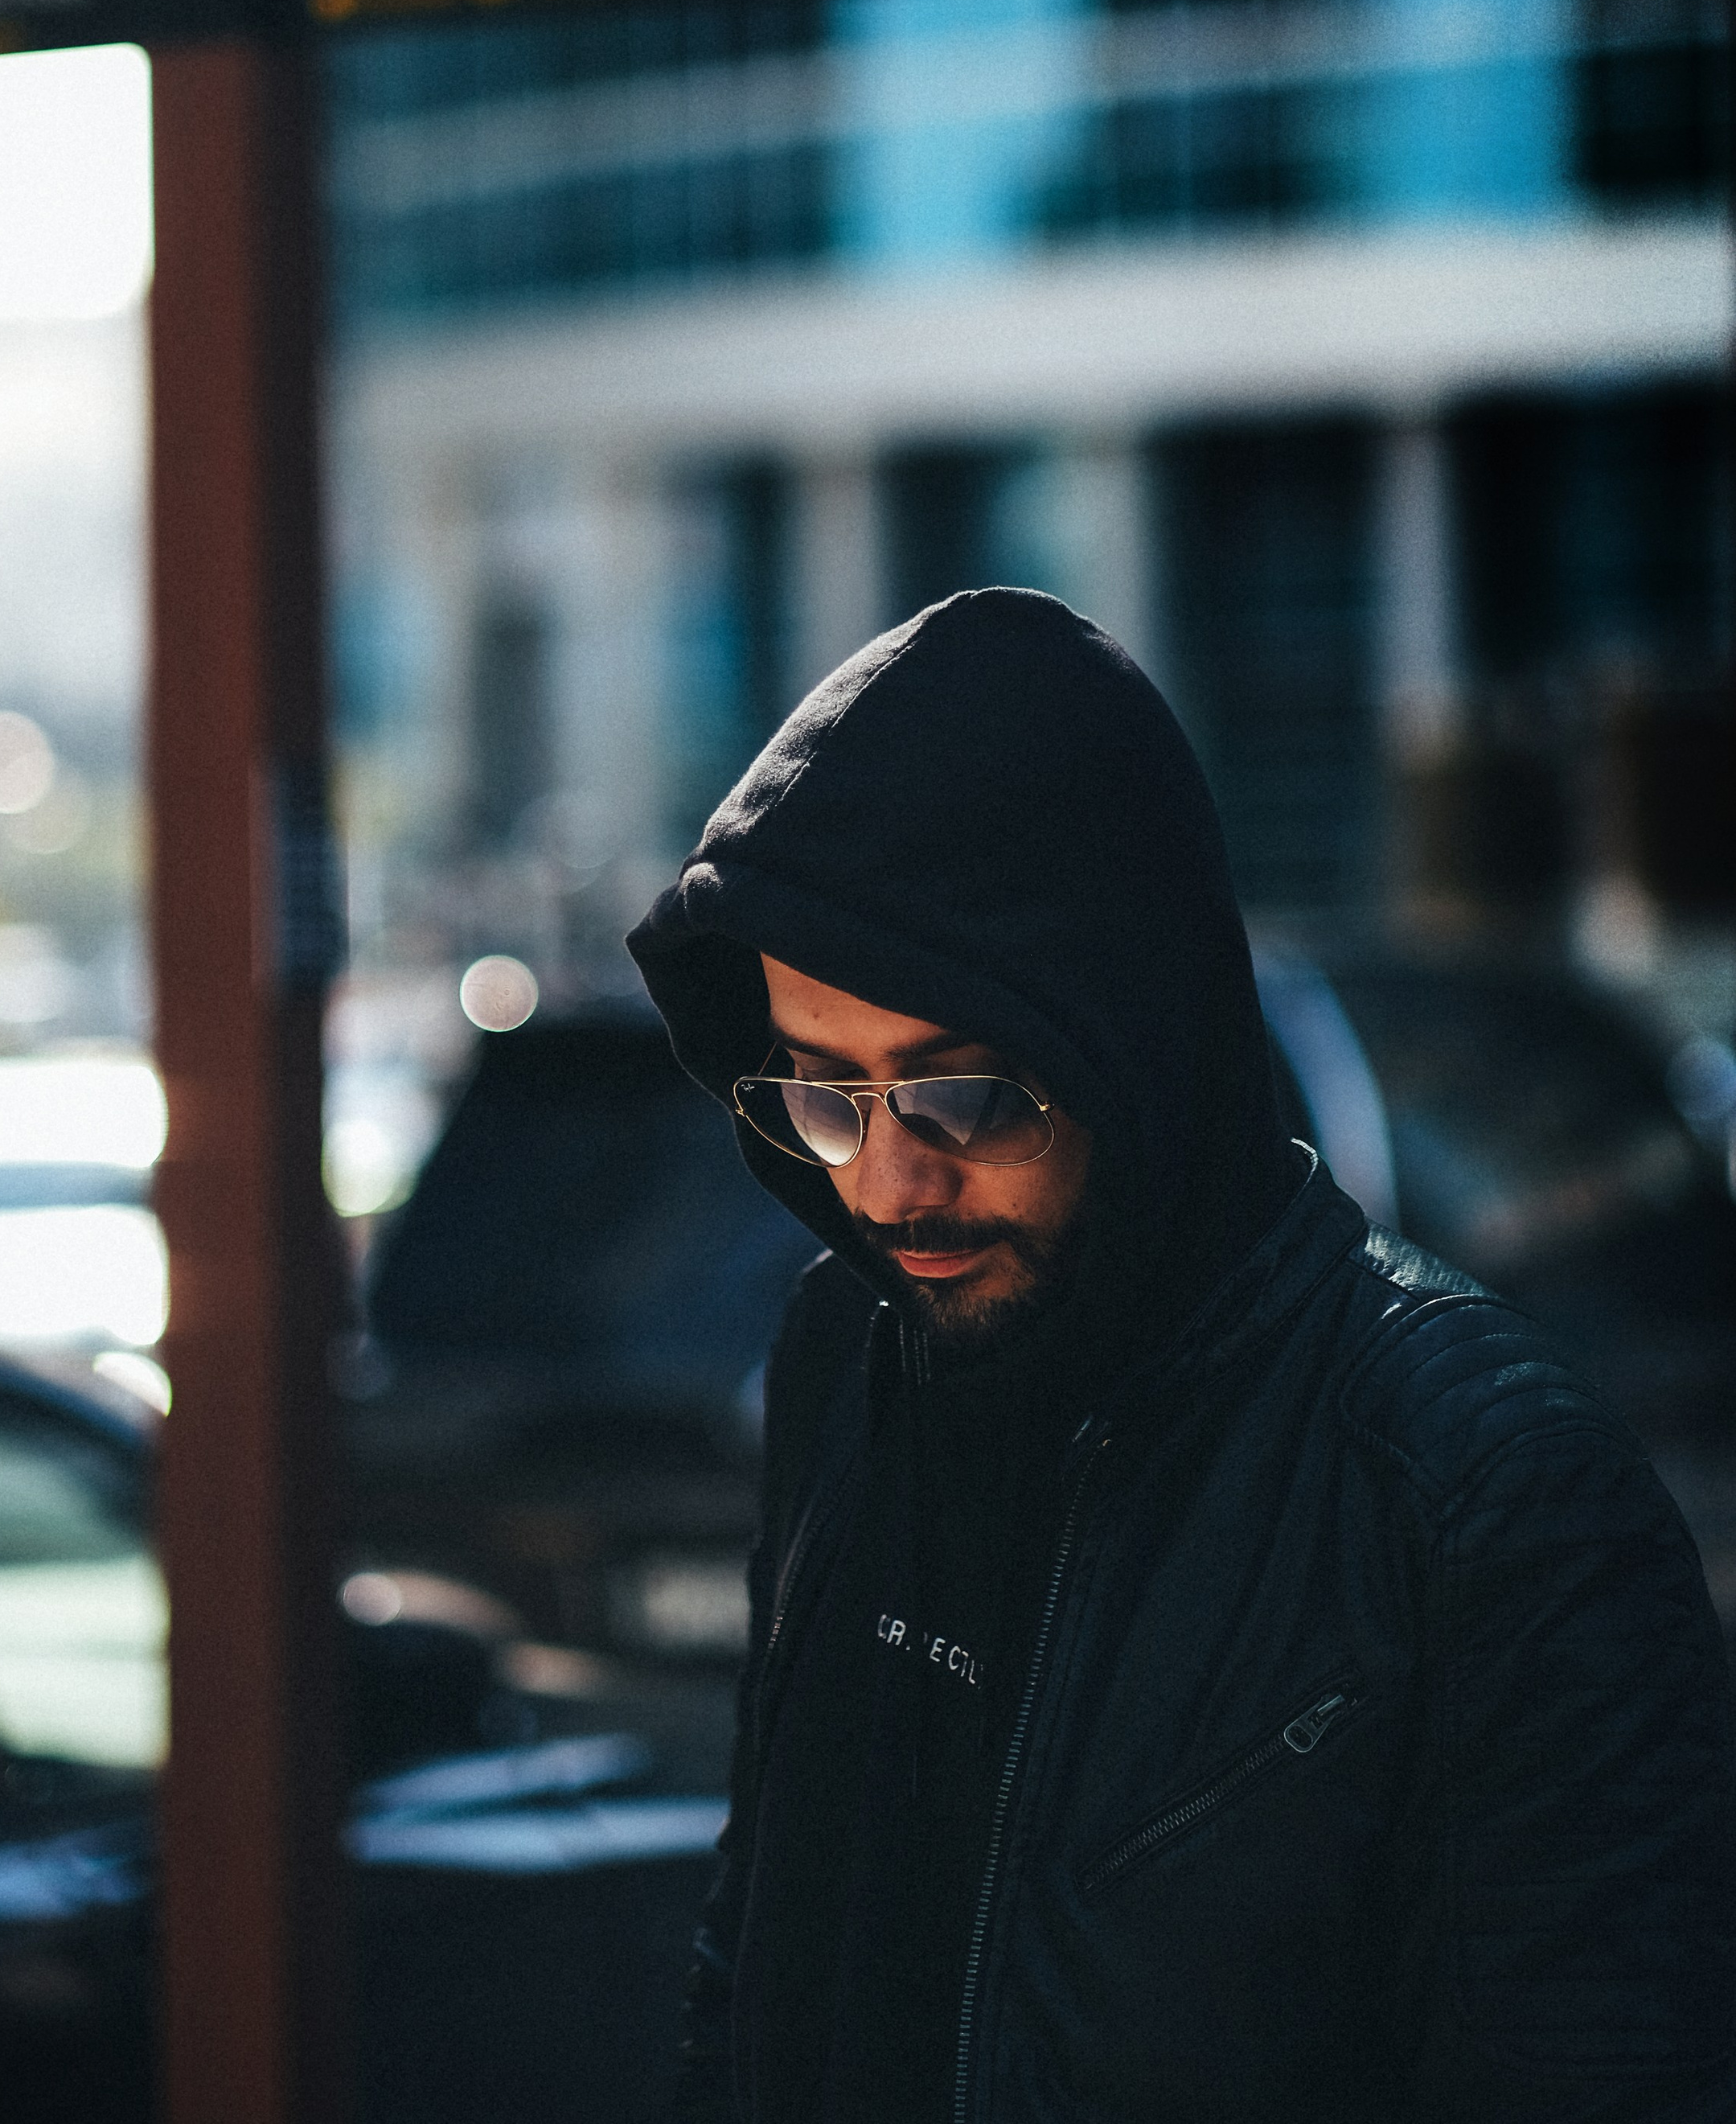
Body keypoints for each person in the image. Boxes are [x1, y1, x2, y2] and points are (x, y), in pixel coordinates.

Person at [626, 590, 1735, 2124]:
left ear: (1131, 1044)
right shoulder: (849, 1356)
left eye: (960, 1099)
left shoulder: (1488, 1497)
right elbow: (755, 1969)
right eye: (824, 1098)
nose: (885, 1186)